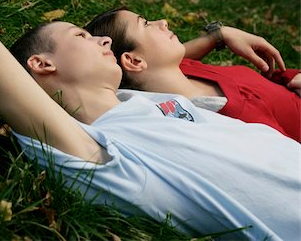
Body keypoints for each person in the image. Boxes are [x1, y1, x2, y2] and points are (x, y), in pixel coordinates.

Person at [0, 20, 300, 240]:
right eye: (83, 35)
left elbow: (157, 59)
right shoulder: (95, 147)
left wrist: (218, 34)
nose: (105, 42)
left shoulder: (141, 99)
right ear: (42, 64)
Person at [85, 7, 301, 141]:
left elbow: (152, 64)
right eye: (146, 24)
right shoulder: (227, 119)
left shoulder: (181, 69)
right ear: (134, 61)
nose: (162, 22)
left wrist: (220, 35)